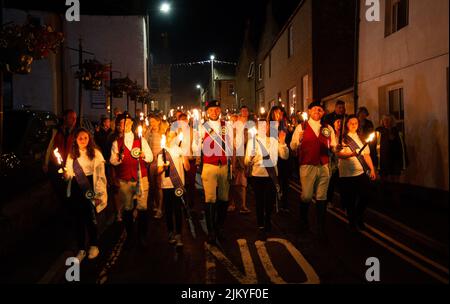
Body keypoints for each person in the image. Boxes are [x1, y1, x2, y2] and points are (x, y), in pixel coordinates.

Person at [290, 101, 337, 239]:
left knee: (322, 197)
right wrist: (298, 140)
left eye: (320, 110)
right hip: (307, 165)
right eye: (315, 109)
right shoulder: (301, 127)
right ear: (309, 111)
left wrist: (336, 149)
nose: (318, 111)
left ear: (323, 113)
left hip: (324, 165)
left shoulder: (328, 128)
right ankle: (303, 220)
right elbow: (292, 146)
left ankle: (320, 228)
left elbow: (332, 145)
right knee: (306, 196)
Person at [110, 112, 153, 248]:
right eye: (123, 123)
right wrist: (119, 159)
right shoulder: (116, 143)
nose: (125, 125)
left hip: (141, 178)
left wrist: (144, 155)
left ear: (131, 124)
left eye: (127, 123)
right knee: (128, 209)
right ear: (119, 126)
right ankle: (129, 235)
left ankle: (142, 236)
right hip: (125, 180)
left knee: (142, 208)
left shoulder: (141, 140)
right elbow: (112, 160)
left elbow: (150, 157)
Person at [192, 100, 232, 244]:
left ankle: (219, 226)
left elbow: (230, 143)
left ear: (219, 110)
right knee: (210, 199)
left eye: (216, 109)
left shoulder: (226, 125)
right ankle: (211, 231)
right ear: (207, 112)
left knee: (224, 198)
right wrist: (197, 155)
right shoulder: (202, 127)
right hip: (209, 165)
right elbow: (196, 143)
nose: (214, 112)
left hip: (224, 166)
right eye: (211, 110)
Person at [245, 111, 289, 240]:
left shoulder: (274, 140)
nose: (264, 127)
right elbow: (247, 160)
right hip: (258, 175)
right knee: (259, 201)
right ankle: (260, 225)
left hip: (271, 175)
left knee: (269, 201)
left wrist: (283, 143)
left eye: (266, 125)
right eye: (261, 125)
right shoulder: (253, 141)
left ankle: (268, 219)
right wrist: (251, 158)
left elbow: (285, 156)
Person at [64, 128, 107, 260]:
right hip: (77, 189)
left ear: (89, 139)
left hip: (90, 187)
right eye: (80, 138)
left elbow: (100, 176)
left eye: (85, 138)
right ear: (75, 140)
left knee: (91, 218)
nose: (83, 141)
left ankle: (94, 245)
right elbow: (69, 173)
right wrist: (65, 174)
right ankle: (81, 248)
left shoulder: (96, 154)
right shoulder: (72, 155)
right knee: (78, 219)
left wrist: (99, 195)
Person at [336, 115, 377, 231]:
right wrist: (351, 154)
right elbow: (339, 154)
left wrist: (372, 169)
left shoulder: (361, 138)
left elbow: (366, 155)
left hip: (361, 172)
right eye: (351, 123)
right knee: (350, 200)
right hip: (347, 173)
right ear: (347, 125)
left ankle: (358, 216)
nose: (354, 125)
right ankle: (352, 221)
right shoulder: (343, 138)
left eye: (356, 123)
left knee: (366, 196)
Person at [158, 130, 191, 247]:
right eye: (169, 136)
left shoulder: (180, 150)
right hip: (167, 185)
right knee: (168, 210)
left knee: (178, 210)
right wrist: (163, 167)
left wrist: (185, 158)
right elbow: (158, 170)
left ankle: (178, 234)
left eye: (173, 137)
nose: (171, 139)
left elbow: (187, 168)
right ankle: (170, 232)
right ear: (166, 137)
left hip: (178, 184)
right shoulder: (162, 152)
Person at [44, 109, 78, 203]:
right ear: (64, 118)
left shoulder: (76, 133)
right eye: (71, 117)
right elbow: (49, 147)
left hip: (69, 165)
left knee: (68, 188)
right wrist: (46, 163)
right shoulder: (56, 131)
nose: (74, 120)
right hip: (55, 165)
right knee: (57, 186)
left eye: (75, 118)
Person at [145, 114, 166, 219]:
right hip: (150, 162)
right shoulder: (148, 133)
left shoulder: (163, 133)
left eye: (153, 121)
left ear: (158, 121)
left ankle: (160, 208)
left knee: (159, 185)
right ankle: (154, 203)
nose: (152, 123)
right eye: (150, 121)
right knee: (152, 185)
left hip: (160, 161)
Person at [375, 115, 408, 182]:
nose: (386, 121)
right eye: (385, 120)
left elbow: (402, 146)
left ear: (392, 121)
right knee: (384, 179)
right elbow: (374, 146)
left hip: (395, 159)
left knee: (395, 178)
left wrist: (404, 162)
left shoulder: (397, 131)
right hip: (383, 159)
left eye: (388, 120)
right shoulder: (379, 131)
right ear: (382, 121)